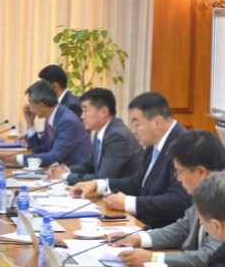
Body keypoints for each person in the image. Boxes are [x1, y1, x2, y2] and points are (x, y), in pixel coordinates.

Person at [114, 130, 225, 267]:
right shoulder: (212, 183)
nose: (178, 179)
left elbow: (210, 256)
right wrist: (139, 238)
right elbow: (185, 227)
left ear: (200, 171)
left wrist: (153, 259)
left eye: (179, 172)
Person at [71, 92, 190, 229]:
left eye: (137, 124)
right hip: (143, 225)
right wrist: (97, 185)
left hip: (165, 231)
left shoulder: (184, 146)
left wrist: (128, 203)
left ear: (157, 123)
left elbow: (179, 201)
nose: (133, 131)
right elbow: (137, 182)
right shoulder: (153, 143)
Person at [47, 87, 142, 184]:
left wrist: (65, 176)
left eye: (85, 110)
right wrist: (65, 170)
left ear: (104, 112)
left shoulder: (117, 136)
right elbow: (89, 165)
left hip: (121, 192)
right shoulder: (101, 132)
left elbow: (102, 179)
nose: (82, 116)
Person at [7, 80, 91, 168]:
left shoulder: (67, 121)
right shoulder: (52, 117)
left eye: (31, 103)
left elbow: (54, 157)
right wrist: (30, 123)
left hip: (75, 173)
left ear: (42, 106)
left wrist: (15, 159)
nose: (30, 108)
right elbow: (41, 150)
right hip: (58, 170)